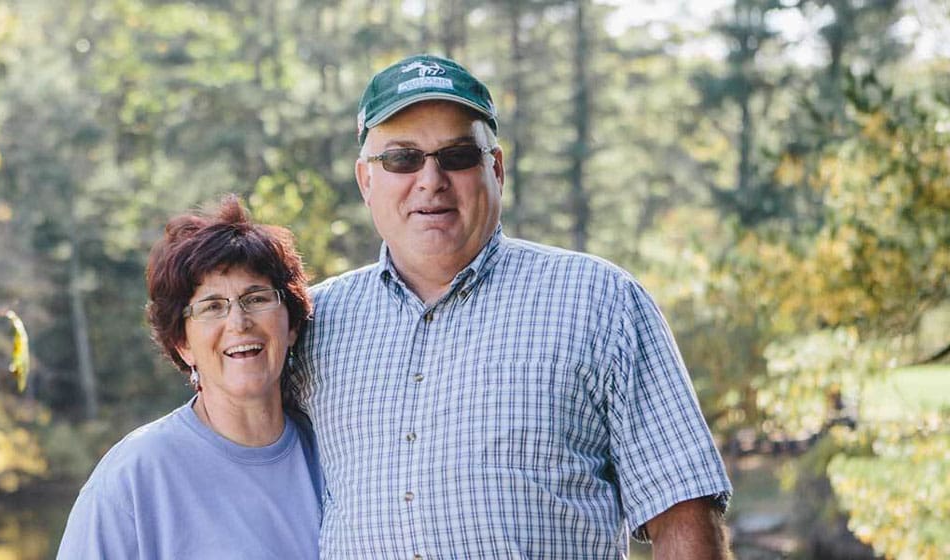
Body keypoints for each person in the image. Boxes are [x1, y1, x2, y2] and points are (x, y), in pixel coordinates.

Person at [294, 54, 733, 558]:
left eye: (457, 155)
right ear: (365, 180)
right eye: (401, 159)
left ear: (495, 168)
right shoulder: (311, 322)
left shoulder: (599, 301)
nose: (430, 180)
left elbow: (683, 513)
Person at [57, 196, 321, 559]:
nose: (238, 323)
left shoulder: (331, 454)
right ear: (182, 343)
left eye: (256, 298)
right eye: (212, 307)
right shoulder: (134, 478)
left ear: (290, 323)